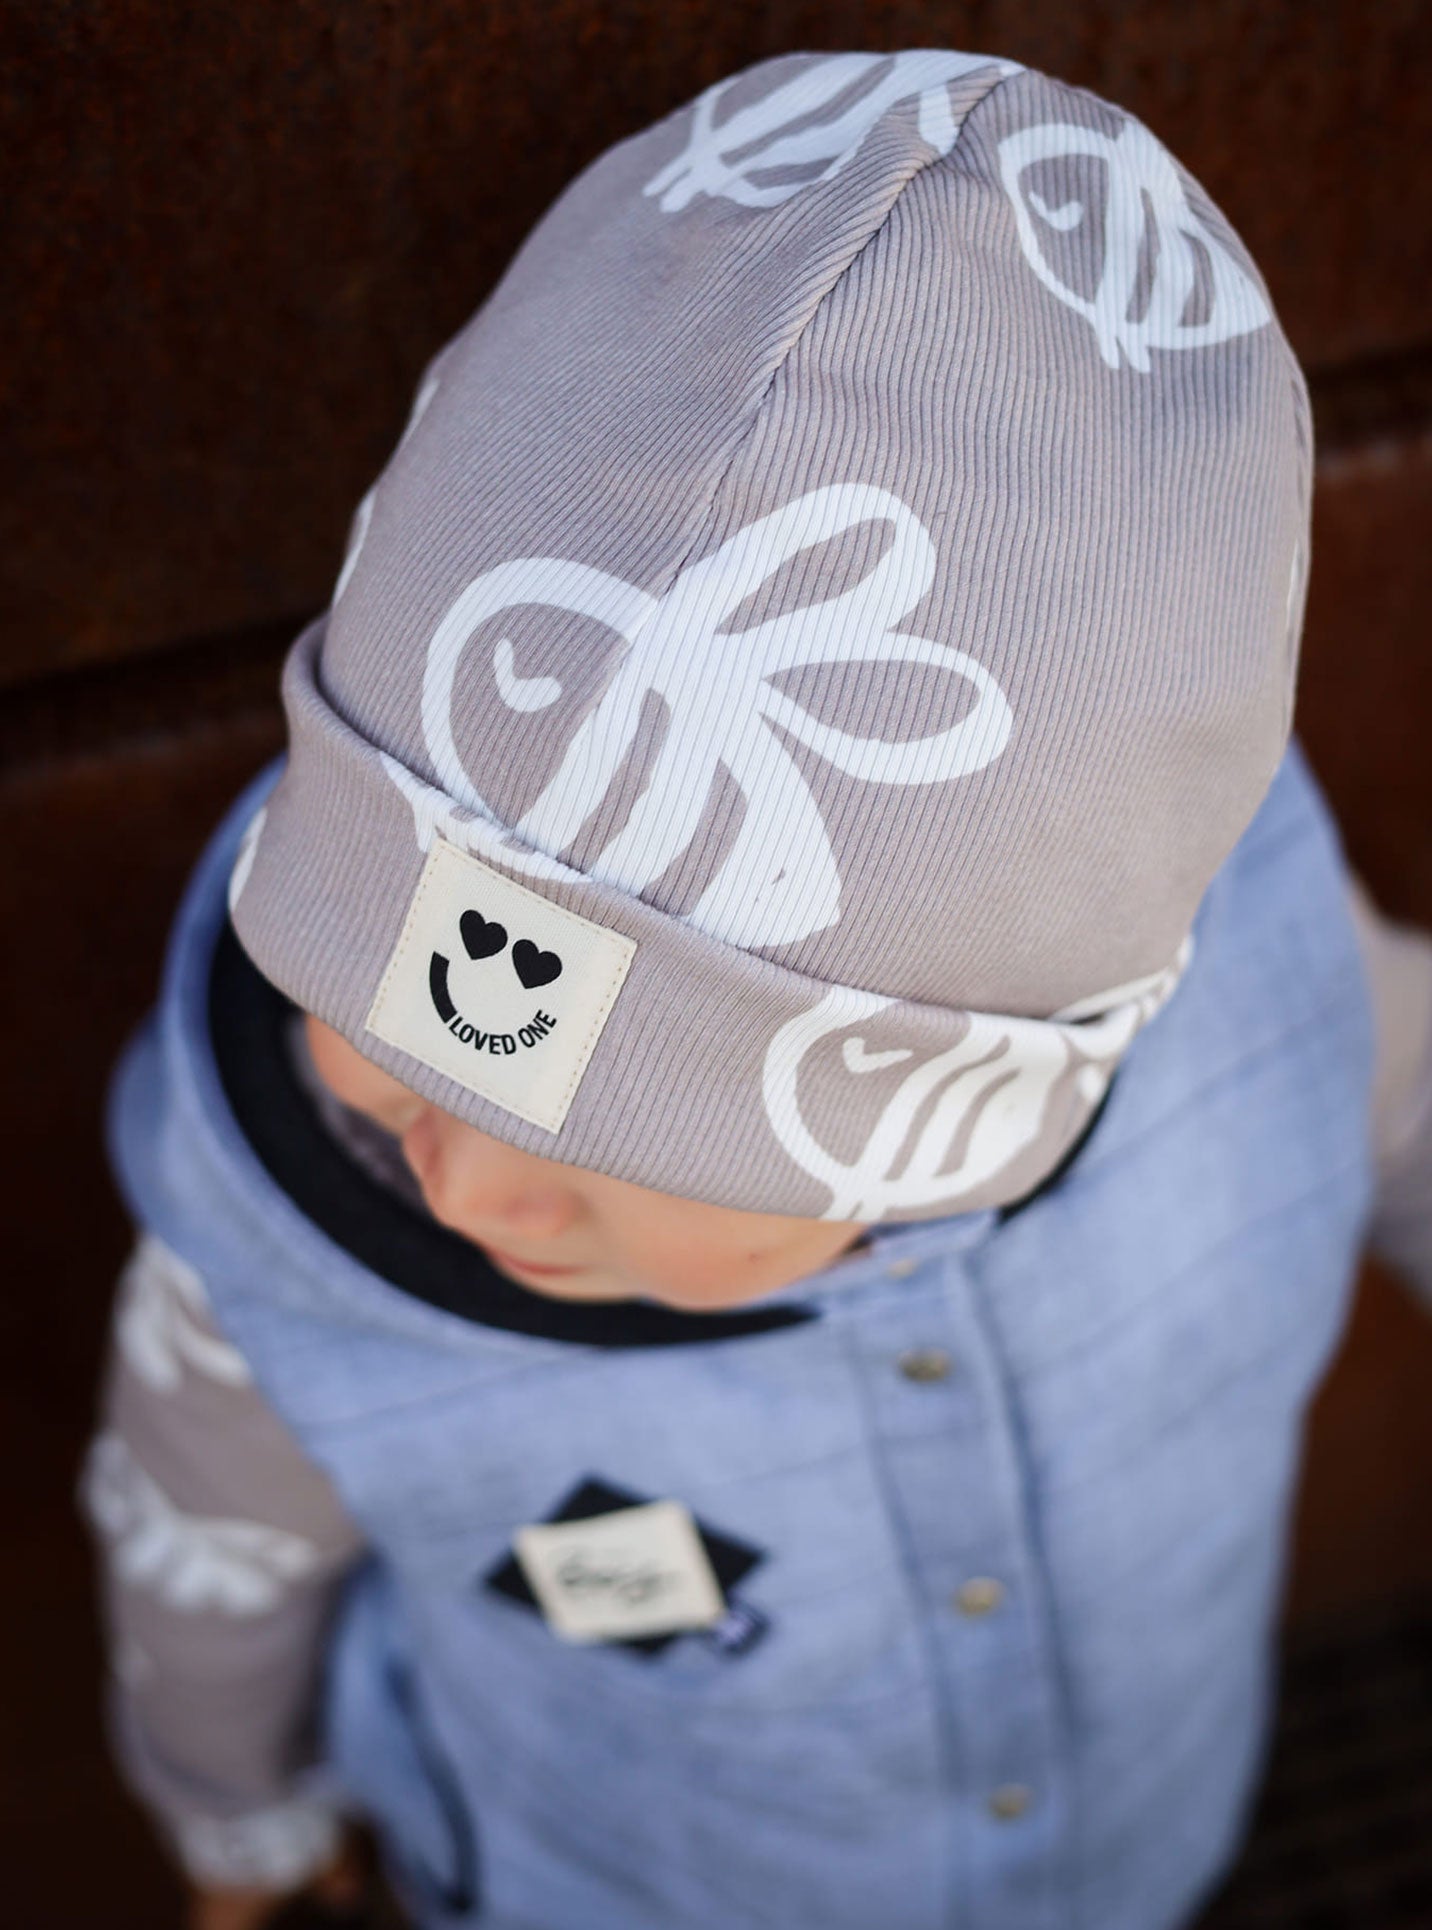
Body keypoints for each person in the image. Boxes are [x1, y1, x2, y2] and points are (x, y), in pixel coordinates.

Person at [81, 46, 1432, 1930]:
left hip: (1131, 1847)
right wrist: (239, 1815)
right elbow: (199, 1539)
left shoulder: (1265, 972)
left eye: (633, 1138)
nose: (457, 1183)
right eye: (394, 1038)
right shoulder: (271, 1244)